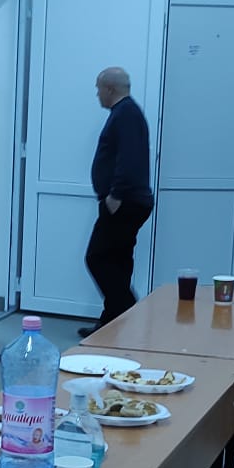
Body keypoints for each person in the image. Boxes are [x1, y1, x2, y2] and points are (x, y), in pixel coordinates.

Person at [84, 66, 154, 327]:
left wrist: (116, 194)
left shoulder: (126, 114)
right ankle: (112, 325)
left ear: (110, 89)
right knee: (119, 260)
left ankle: (128, 313)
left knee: (97, 257)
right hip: (129, 201)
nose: (97, 94)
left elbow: (129, 157)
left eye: (98, 89)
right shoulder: (126, 112)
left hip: (124, 202)